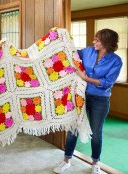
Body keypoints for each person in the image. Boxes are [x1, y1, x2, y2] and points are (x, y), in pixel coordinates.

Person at [53, 28, 123, 174]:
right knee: (73, 129)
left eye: (97, 40)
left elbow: (107, 82)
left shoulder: (116, 61)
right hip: (81, 96)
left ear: (106, 43)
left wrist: (85, 78)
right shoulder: (88, 51)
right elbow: (70, 53)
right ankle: (66, 160)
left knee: (96, 133)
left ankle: (95, 163)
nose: (93, 42)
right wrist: (58, 38)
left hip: (100, 100)